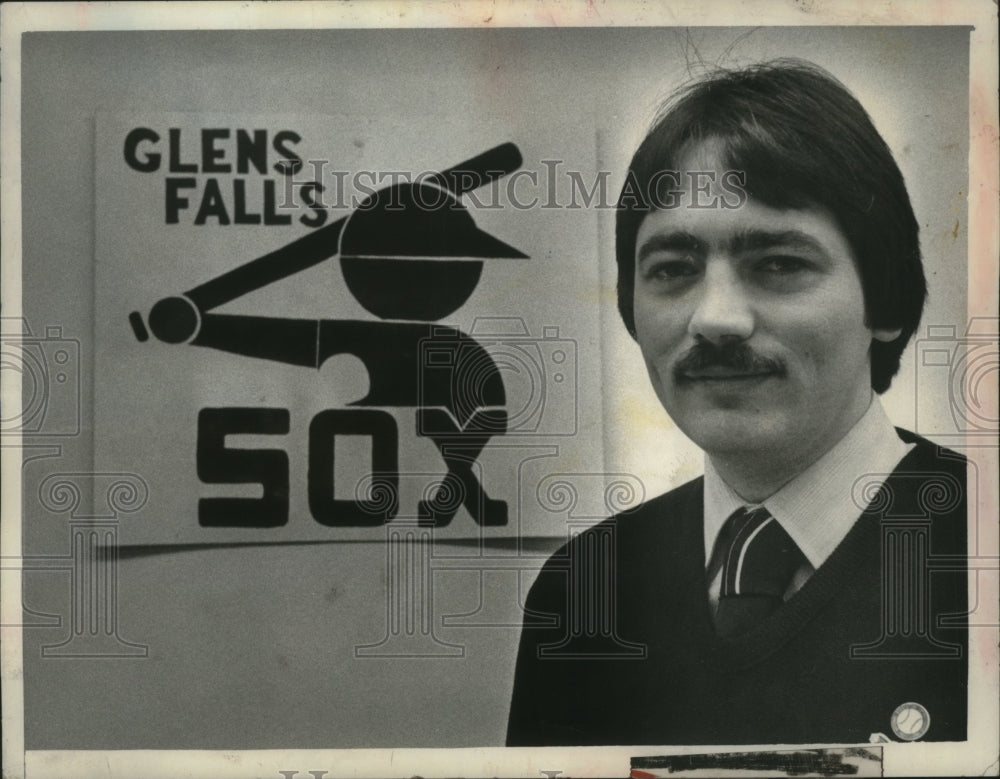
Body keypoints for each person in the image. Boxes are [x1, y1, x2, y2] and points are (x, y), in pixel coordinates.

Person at [506, 59, 967, 746]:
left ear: (888, 299)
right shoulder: (582, 590)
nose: (715, 318)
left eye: (779, 263)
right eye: (672, 269)